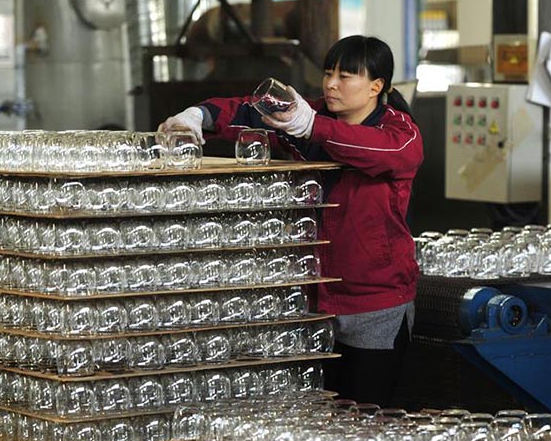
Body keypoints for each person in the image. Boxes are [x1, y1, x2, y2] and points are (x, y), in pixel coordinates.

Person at [159, 35, 423, 407]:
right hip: (315, 298)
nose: (331, 83)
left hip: (374, 302)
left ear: (376, 87)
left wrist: (311, 126)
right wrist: (201, 115)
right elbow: (249, 111)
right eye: (328, 73)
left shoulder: (399, 133)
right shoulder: (309, 117)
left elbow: (380, 152)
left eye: (346, 76)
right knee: (316, 414)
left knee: (365, 415)